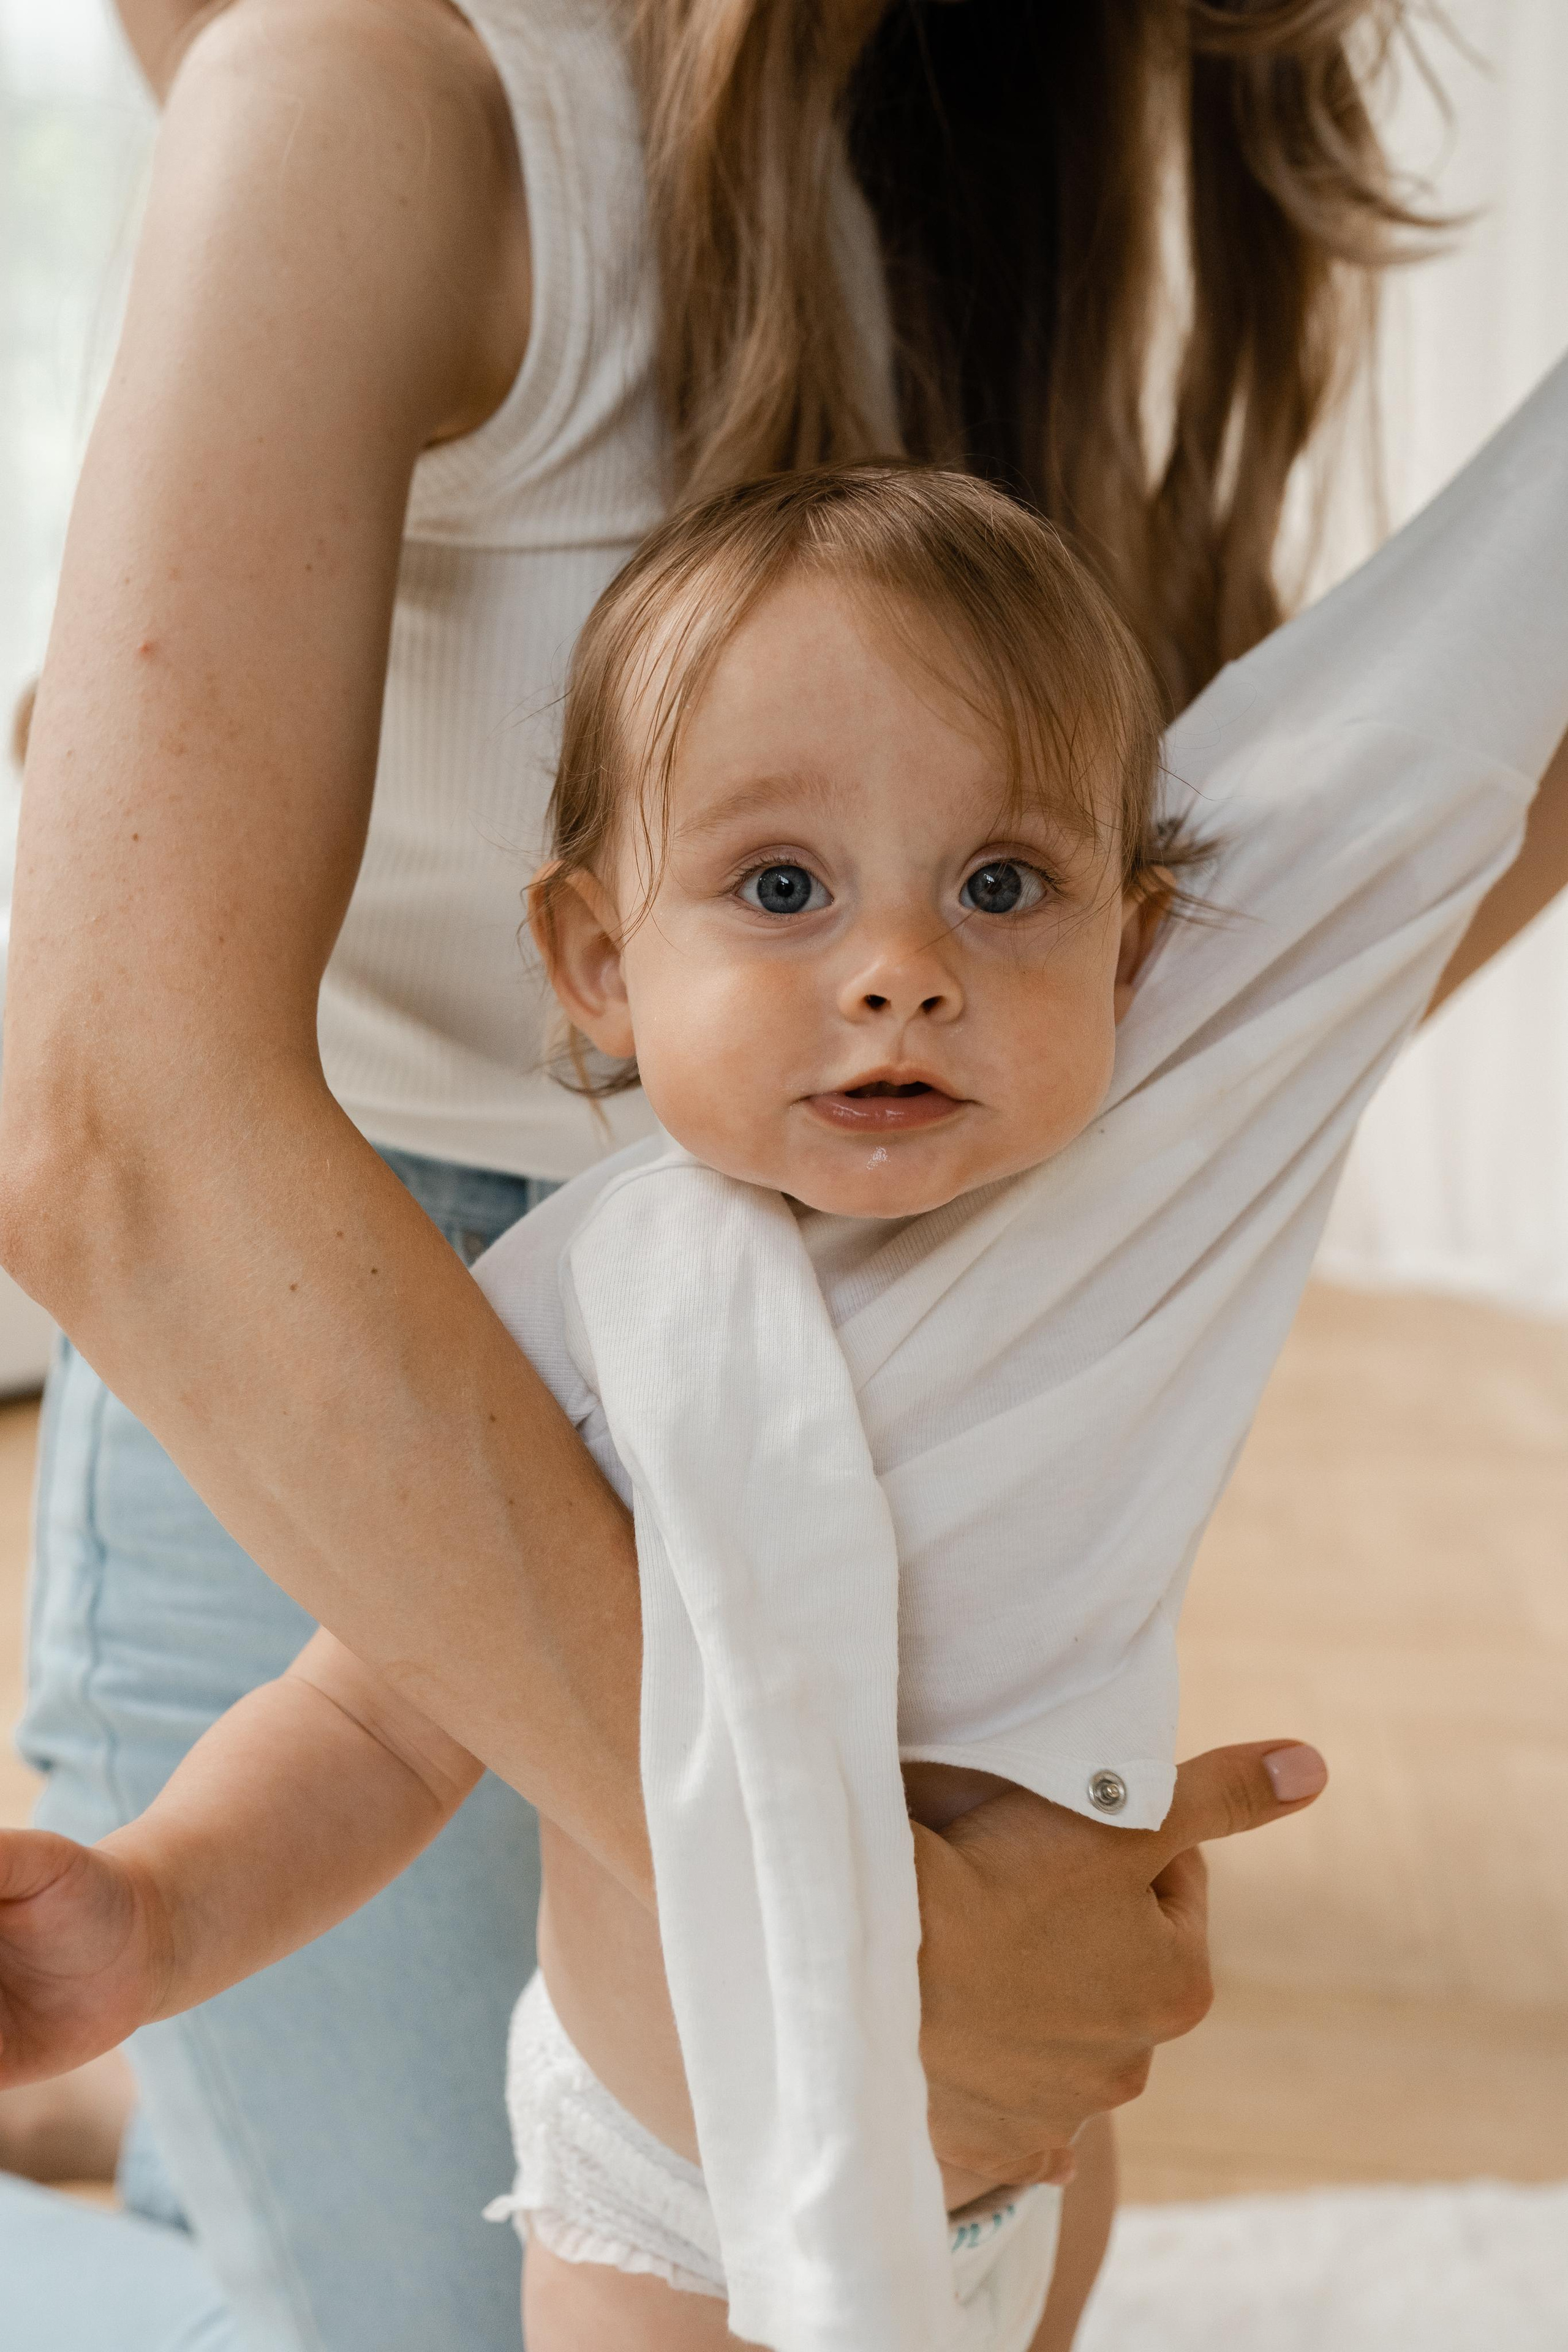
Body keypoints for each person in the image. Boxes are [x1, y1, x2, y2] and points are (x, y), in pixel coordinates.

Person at [2, 1, 1565, 2347]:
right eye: (783, 894)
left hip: (988, 2116)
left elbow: (1418, 776)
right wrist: (170, 1913)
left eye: (1007, 898)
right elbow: (368, 1701)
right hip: (346, 1390)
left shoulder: (1014, 137)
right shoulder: (608, 1307)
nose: (905, 977)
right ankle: (167, 2142)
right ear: (594, 957)